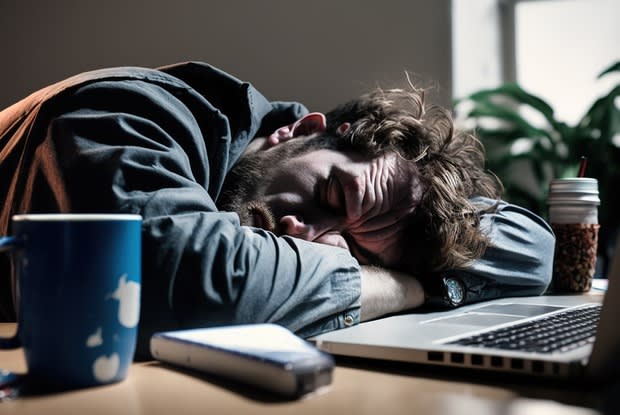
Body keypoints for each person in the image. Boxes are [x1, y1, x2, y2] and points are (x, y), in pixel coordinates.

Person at [0, 61, 554, 358]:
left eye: (356, 251)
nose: (302, 233)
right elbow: (189, 280)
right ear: (304, 131)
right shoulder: (129, 113)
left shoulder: (343, 196)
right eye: (330, 196)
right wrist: (411, 287)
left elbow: (534, 249)